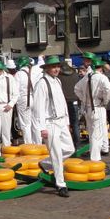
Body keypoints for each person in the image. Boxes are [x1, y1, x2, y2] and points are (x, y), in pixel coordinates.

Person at [31, 56, 75, 198]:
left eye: (58, 66)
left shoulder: (58, 81)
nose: (56, 69)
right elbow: (38, 107)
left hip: (61, 121)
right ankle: (60, 184)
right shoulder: (42, 83)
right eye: (53, 67)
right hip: (50, 123)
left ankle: (45, 164)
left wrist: (67, 121)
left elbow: (62, 102)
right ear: (47, 68)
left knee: (70, 149)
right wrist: (42, 127)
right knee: (56, 153)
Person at [75, 58, 110, 161]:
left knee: (92, 134)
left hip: (88, 109)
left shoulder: (86, 77)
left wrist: (84, 99)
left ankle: (94, 155)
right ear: (100, 68)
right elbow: (108, 90)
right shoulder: (102, 78)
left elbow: (76, 88)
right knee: (98, 134)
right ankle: (95, 159)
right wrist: (105, 100)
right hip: (98, 107)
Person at [15, 56, 37, 145]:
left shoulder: (19, 74)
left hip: (23, 100)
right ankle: (36, 142)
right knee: (33, 122)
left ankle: (28, 144)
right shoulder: (34, 72)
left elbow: (15, 90)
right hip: (33, 98)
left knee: (25, 124)